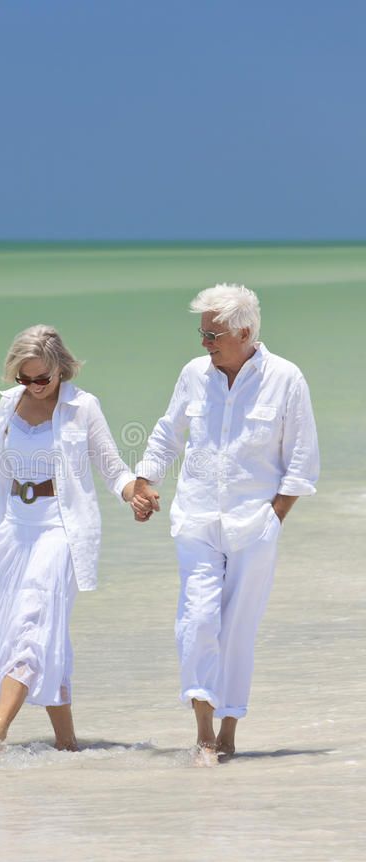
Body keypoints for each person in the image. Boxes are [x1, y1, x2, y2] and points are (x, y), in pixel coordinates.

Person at [0, 325, 136, 759]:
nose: (34, 387)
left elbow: (113, 468)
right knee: (46, 631)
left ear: (61, 369)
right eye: (25, 379)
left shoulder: (83, 407)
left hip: (60, 528)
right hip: (14, 526)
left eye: (42, 378)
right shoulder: (8, 405)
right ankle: (67, 744)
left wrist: (135, 494)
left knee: (31, 623)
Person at [131, 284, 319, 763]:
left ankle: (230, 730)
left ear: (245, 331)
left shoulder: (286, 378)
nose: (204, 343)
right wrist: (144, 480)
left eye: (212, 334)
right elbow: (167, 432)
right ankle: (203, 734)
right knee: (196, 622)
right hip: (195, 519)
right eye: (202, 333)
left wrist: (272, 519)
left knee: (237, 628)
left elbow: (301, 461)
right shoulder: (194, 375)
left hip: (253, 524)